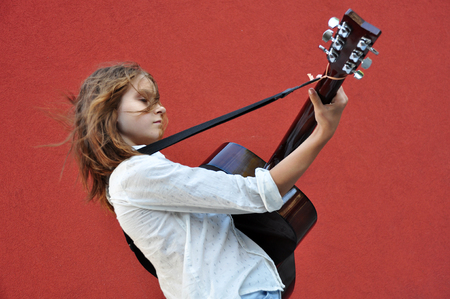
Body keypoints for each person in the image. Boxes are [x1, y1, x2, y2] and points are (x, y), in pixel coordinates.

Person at [65, 62, 348, 299]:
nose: (160, 108)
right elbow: (257, 193)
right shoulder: (134, 174)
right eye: (144, 100)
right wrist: (323, 133)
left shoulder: (145, 170)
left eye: (159, 100)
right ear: (109, 112)